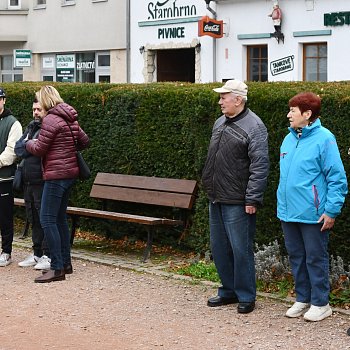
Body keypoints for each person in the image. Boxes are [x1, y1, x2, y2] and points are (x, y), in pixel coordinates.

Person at [277, 92, 347, 322]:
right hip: (288, 212)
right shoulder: (288, 138)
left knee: (315, 258)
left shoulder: (325, 139)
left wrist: (331, 211)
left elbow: (337, 178)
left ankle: (321, 303)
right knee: (296, 256)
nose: (288, 115)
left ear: (307, 114)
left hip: (314, 214)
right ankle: (302, 298)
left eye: (292, 111)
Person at [202, 79, 269, 314]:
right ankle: (228, 291)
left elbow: (260, 166)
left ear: (238, 100)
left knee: (241, 249)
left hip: (239, 201)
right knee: (219, 247)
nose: (220, 101)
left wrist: (252, 199)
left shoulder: (255, 126)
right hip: (217, 197)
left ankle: (246, 295)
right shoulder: (220, 122)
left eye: (224, 97)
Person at [25, 85, 89, 283]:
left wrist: (28, 142)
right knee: (60, 219)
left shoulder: (51, 119)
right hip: (69, 174)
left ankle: (57, 267)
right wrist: (68, 148)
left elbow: (40, 148)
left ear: (45, 100)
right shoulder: (69, 117)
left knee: (47, 219)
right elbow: (84, 141)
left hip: (56, 175)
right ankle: (65, 263)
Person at [15, 97, 51, 270]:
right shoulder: (31, 127)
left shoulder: (48, 128)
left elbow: (40, 150)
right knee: (33, 219)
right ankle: (37, 253)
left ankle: (47, 254)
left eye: (39, 109)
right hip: (27, 181)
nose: (36, 112)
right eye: (34, 109)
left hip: (41, 181)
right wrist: (30, 144)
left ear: (46, 110)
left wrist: (28, 146)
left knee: (44, 219)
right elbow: (18, 149)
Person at [0, 88, 22, 267]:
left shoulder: (13, 123)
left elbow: (11, 153)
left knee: (5, 217)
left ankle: (6, 251)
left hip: (4, 179)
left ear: (4, 100)